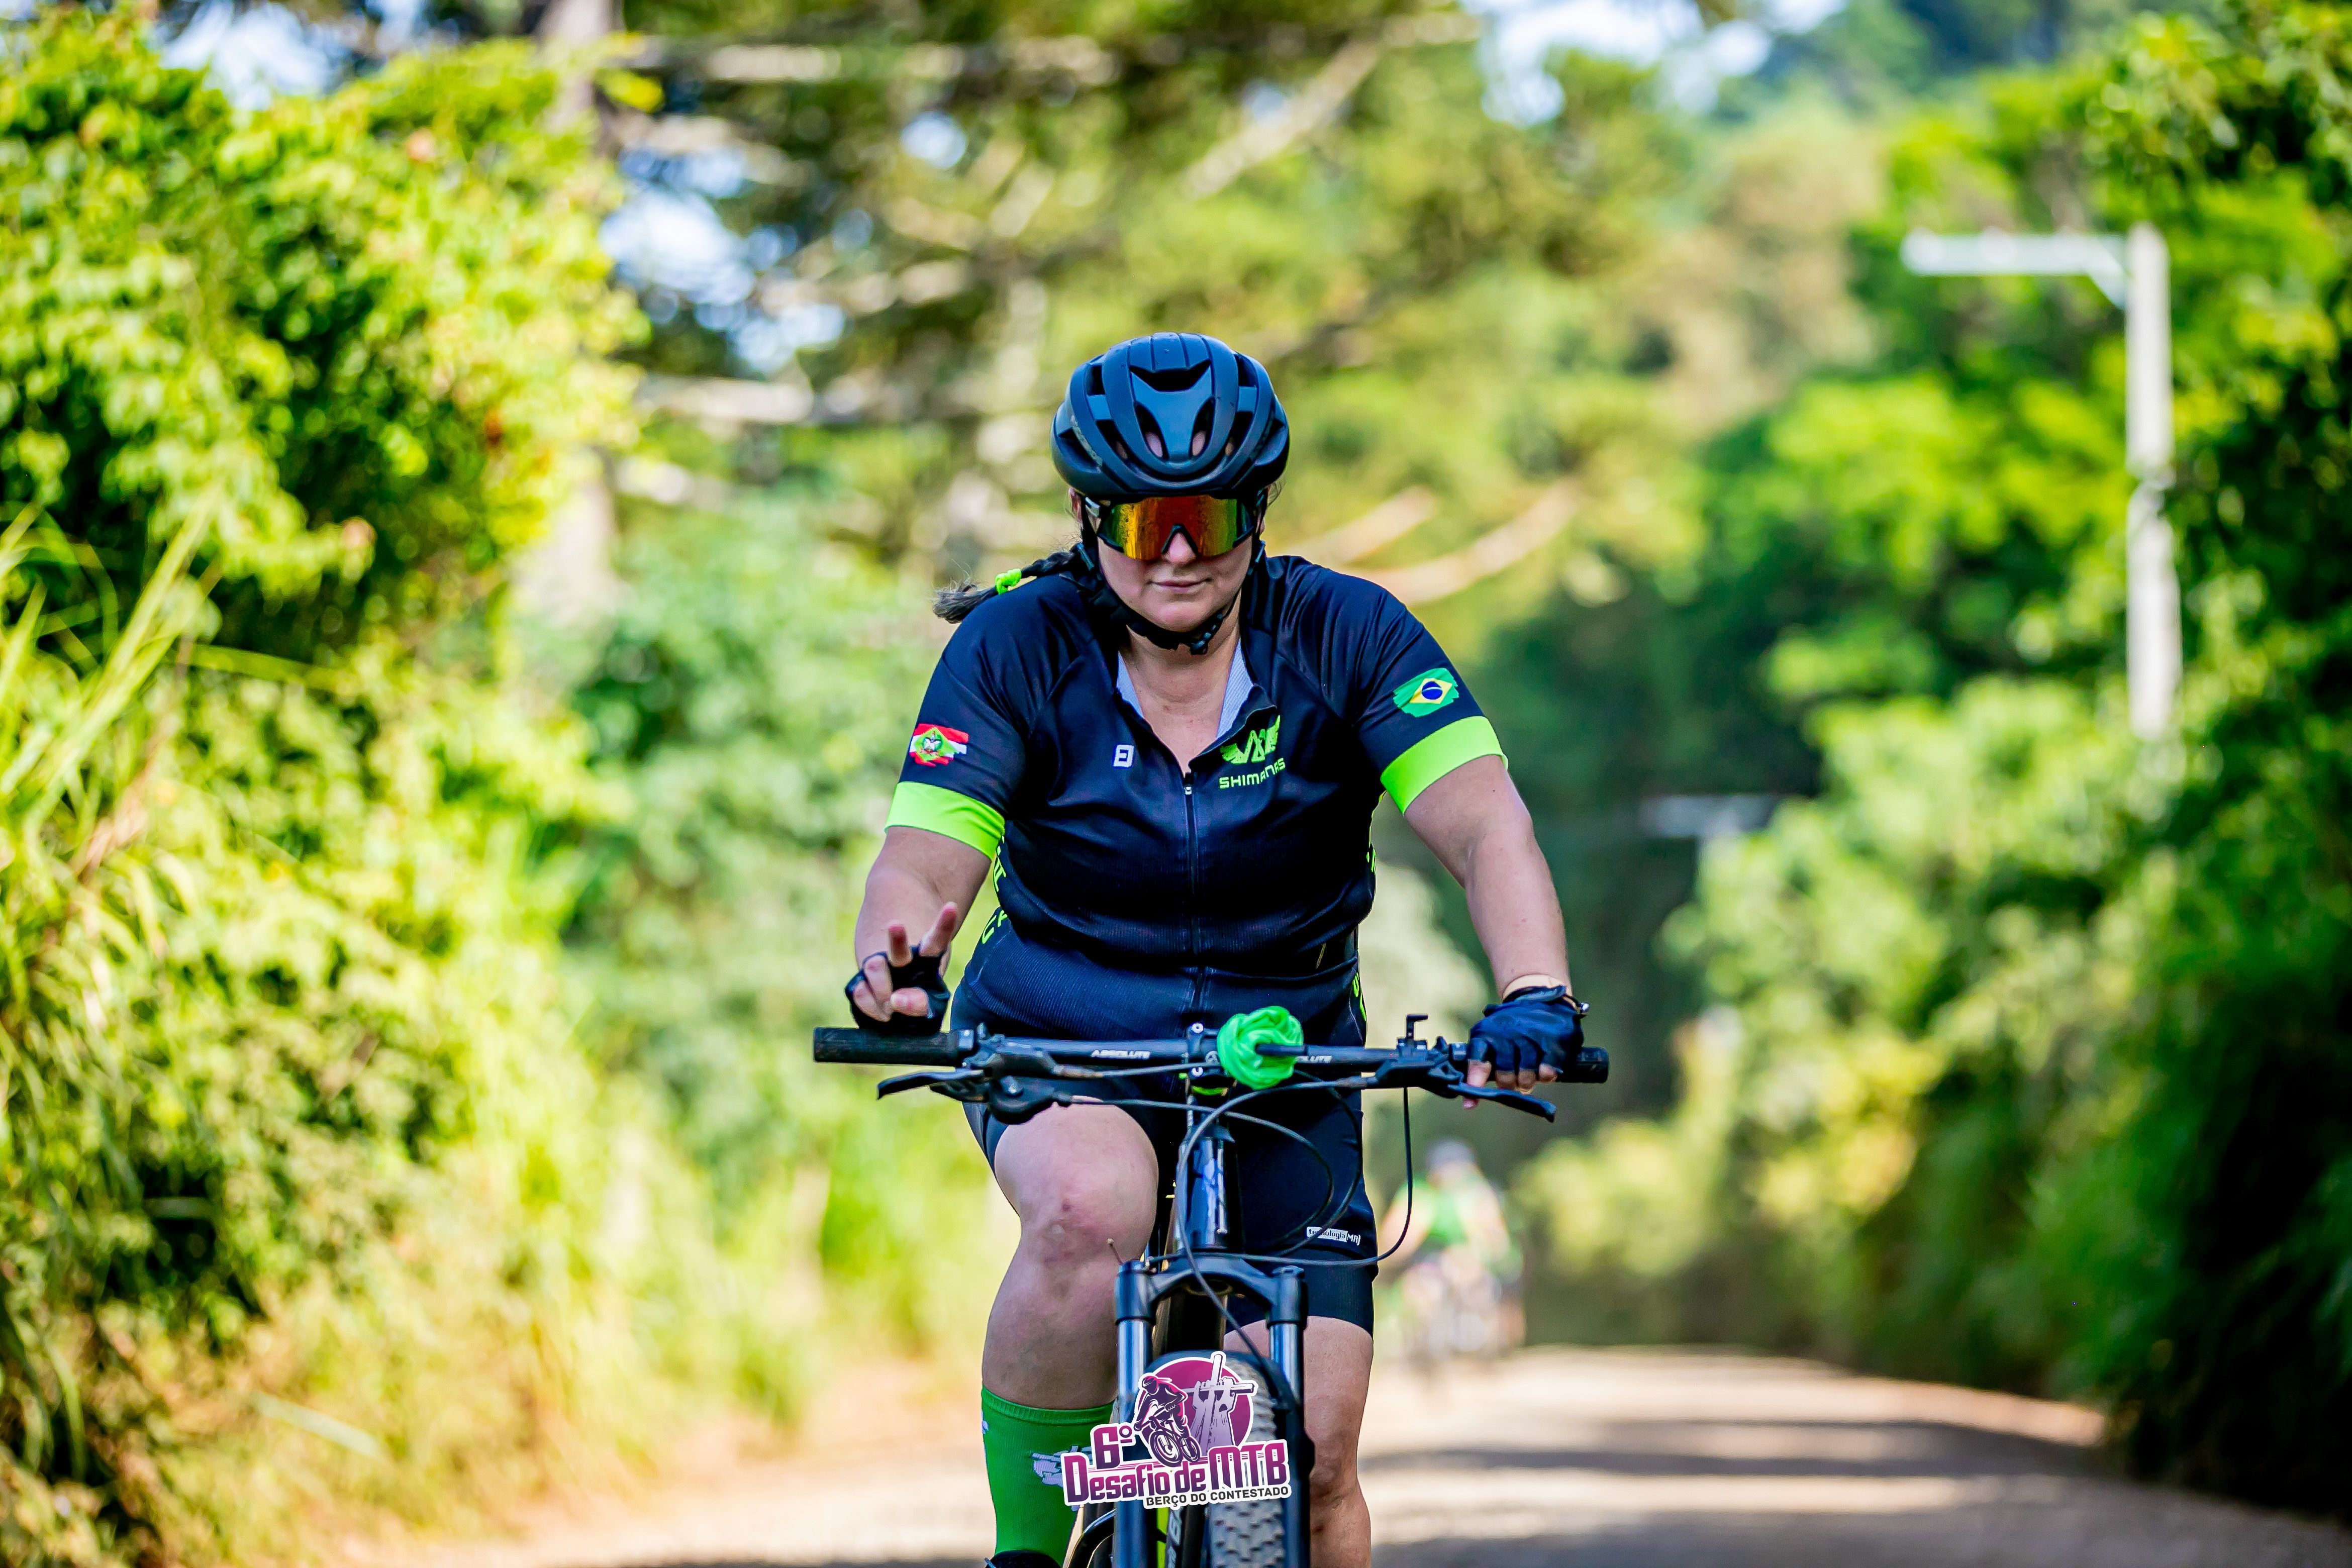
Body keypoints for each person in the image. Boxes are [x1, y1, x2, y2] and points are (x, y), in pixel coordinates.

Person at [847, 332, 1586, 1568]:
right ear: (1090, 519)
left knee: (1316, 1458)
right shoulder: (1017, 645)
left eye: (1210, 517)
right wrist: (898, 963)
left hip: (1286, 1056)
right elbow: (922, 862)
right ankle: (1028, 1547)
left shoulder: (1349, 632)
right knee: (1091, 1208)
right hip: (1062, 1033)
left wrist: (1533, 991)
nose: (1179, 552)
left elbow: (1483, 824)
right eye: (1147, 523)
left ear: (1257, 515)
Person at [1377, 1140, 1524, 1366]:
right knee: (1420, 1291)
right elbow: (1395, 1243)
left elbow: (1497, 1242)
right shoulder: (1419, 1192)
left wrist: (1474, 1248)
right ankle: (1423, 1353)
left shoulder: (1478, 1192)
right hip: (1429, 1262)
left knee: (1478, 1287)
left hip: (1474, 1262)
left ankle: (1486, 1350)